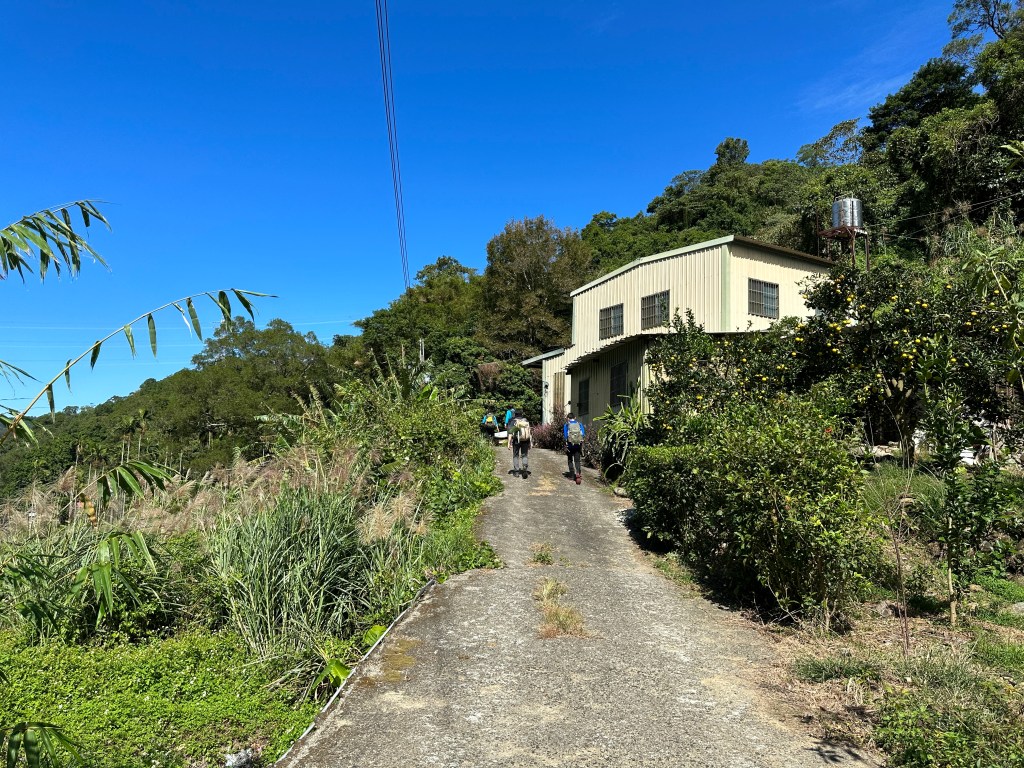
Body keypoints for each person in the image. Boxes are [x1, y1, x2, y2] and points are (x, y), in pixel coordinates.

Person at [563, 413, 585, 485]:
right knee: (577, 460)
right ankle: (578, 473)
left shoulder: (566, 425)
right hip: (578, 446)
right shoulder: (579, 424)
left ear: (568, 418)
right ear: (575, 417)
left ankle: (572, 475)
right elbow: (583, 434)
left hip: (570, 446)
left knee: (570, 460)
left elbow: (565, 436)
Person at [508, 412, 531, 478]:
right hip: (525, 440)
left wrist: (509, 443)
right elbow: (529, 432)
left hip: (516, 441)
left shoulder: (513, 421)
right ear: (521, 414)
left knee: (516, 455)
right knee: (524, 455)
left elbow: (510, 433)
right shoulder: (525, 421)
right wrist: (529, 443)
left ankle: (516, 472)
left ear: (515, 415)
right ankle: (525, 467)